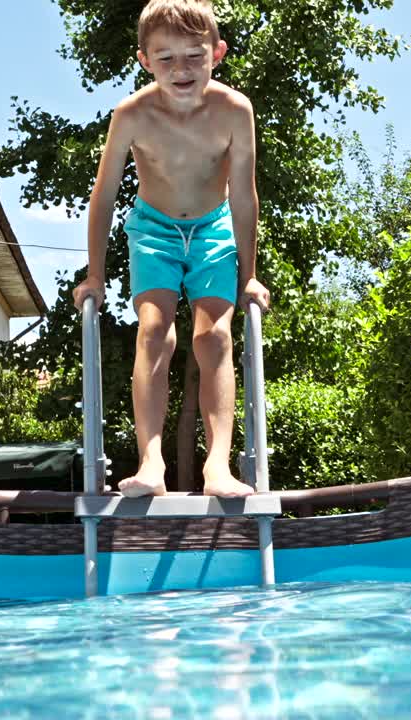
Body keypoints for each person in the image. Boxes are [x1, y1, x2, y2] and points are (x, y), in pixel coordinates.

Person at [71, 0, 270, 498]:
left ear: (217, 53)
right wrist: (94, 274)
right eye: (167, 59)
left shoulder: (234, 110)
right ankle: (151, 462)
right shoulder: (132, 115)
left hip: (214, 229)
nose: (181, 70)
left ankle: (218, 467)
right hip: (153, 229)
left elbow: (244, 195)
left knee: (214, 336)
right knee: (154, 330)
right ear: (144, 60)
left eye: (193, 57)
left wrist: (249, 274)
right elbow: (104, 195)